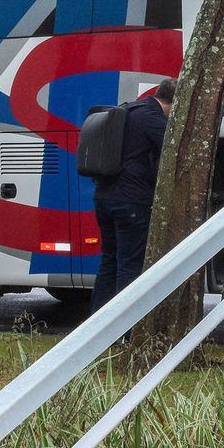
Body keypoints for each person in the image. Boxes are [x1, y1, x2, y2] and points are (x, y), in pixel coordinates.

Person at [91, 77, 176, 312]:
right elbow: (172, 151)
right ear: (173, 102)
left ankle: (96, 327)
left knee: (109, 263)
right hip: (131, 202)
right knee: (130, 266)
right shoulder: (152, 118)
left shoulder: (128, 109)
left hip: (104, 197)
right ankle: (124, 330)